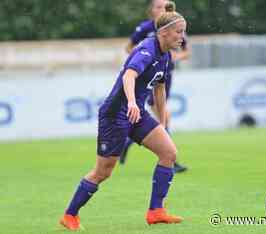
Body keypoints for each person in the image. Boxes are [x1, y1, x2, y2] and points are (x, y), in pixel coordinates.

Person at [59, 4, 187, 230]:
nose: (183, 37)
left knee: (169, 152)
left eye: (183, 31)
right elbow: (129, 76)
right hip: (115, 114)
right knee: (103, 172)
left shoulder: (166, 56)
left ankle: (156, 211)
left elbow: (159, 88)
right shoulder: (146, 49)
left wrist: (163, 123)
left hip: (137, 113)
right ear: (164, 32)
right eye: (179, 32)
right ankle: (70, 215)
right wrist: (130, 102)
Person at [121, 0, 190, 174]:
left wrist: (175, 57)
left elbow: (186, 51)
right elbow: (129, 47)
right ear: (151, 10)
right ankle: (171, 158)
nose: (161, 9)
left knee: (162, 116)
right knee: (163, 115)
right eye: (158, 6)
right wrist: (143, 60)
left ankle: (127, 144)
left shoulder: (176, 28)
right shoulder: (146, 29)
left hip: (165, 76)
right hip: (149, 78)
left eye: (165, 6)